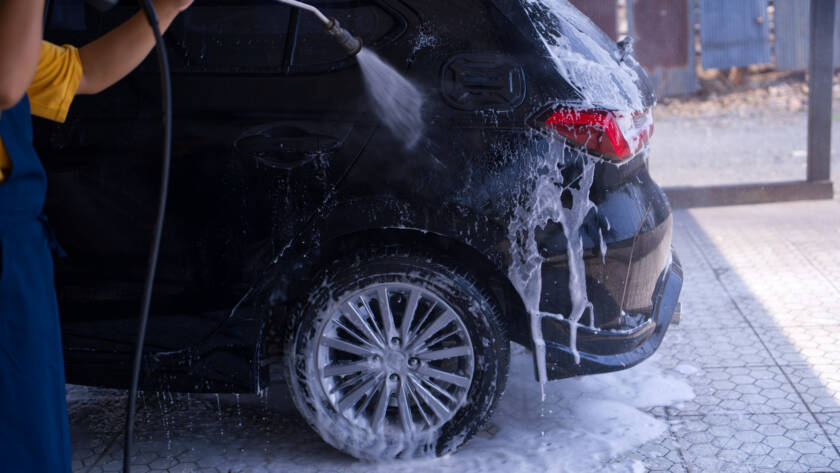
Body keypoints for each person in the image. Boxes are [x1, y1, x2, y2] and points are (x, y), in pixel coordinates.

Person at [0, 0, 192, 470]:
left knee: (29, 433)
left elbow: (84, 72)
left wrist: (167, 8)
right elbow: (6, 83)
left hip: (17, 265)